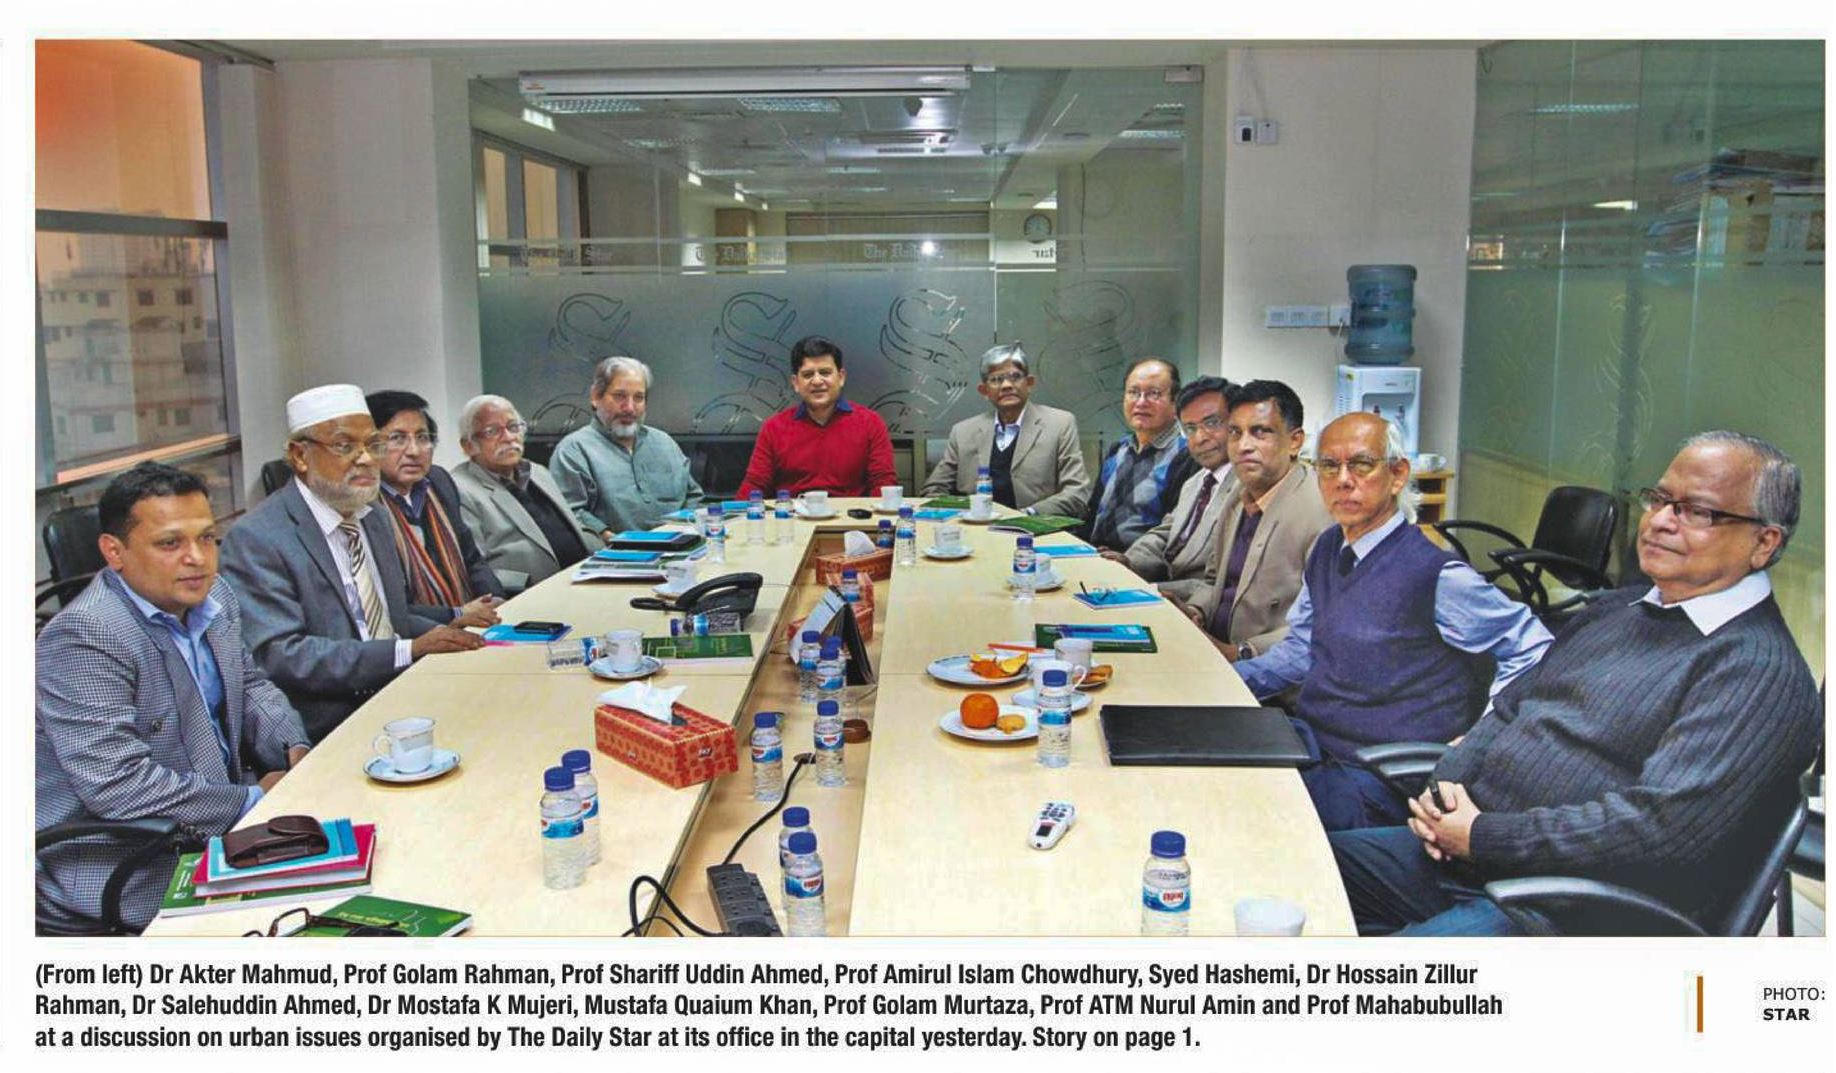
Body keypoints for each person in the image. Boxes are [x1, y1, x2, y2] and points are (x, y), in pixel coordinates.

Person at [1332, 432, 1822, 935]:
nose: (1659, 521)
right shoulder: (1616, 609)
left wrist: (1483, 837)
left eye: (1697, 512)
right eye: (1659, 499)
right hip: (1464, 858)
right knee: (1296, 872)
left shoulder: (1759, 674)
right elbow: (1512, 706)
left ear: (1764, 543)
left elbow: (1660, 831)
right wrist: (1445, 791)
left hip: (1565, 911)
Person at [1234, 412, 1553, 831]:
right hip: (1312, 743)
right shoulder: (1329, 547)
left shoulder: (1434, 574)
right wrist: (1228, 682)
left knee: (1249, 821)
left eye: (1361, 464)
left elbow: (1535, 648)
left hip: (1377, 774)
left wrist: (1481, 739)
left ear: (1398, 474)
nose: (1343, 480)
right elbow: (1303, 648)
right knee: (1211, 779)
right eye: (1328, 466)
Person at [36, 463, 311, 932]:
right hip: (127, 863)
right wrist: (252, 799)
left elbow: (251, 686)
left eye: (207, 538)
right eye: (170, 543)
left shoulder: (215, 594)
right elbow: (119, 786)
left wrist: (295, 750)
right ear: (114, 552)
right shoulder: (85, 635)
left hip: (212, 820)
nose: (197, 558)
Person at [220, 384, 484, 743]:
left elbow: (389, 618)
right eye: (345, 446)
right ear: (300, 455)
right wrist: (407, 650)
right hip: (330, 726)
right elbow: (283, 656)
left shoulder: (372, 516)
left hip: (405, 694)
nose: (366, 459)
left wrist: (453, 625)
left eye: (373, 445)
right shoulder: (259, 538)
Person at [1181, 379, 1332, 662]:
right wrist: (1194, 611)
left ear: (1295, 442)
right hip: (1211, 652)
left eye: (1260, 432)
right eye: (1235, 433)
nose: (1243, 446)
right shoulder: (1237, 496)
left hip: (1267, 673)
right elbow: (1215, 581)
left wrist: (1240, 652)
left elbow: (1323, 624)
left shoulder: (1321, 512)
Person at [365, 390, 503, 624]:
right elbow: (389, 605)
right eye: (397, 438)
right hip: (418, 634)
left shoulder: (439, 481)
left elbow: (471, 559)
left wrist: (495, 600)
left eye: (422, 437)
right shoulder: (364, 504)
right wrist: (457, 615)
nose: (414, 451)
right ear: (370, 446)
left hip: (474, 621)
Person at [451, 394, 602, 594]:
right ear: (468, 445)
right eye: (492, 431)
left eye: (513, 427)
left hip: (585, 581)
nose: (508, 437)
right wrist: (529, 583)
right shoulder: (460, 490)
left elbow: (571, 527)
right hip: (527, 597)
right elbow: (470, 569)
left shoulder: (538, 472)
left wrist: (610, 553)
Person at [920, 342, 1090, 517]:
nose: (1007, 385)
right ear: (984, 391)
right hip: (974, 527)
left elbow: (1076, 493)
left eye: (1015, 376)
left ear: (1029, 383)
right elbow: (933, 490)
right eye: (996, 379)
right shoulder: (963, 431)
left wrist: (1028, 514)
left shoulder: (1060, 424)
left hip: (1036, 527)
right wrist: (961, 515)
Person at [1105, 375, 1234, 600]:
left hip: (1199, 604)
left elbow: (1223, 583)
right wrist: (1128, 562)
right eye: (1190, 428)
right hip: (1166, 590)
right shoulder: (1196, 482)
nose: (1200, 438)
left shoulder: (1247, 489)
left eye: (1212, 423)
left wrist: (1151, 590)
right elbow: (1167, 533)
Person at [550, 356, 703, 541]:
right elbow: (571, 514)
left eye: (638, 398)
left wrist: (683, 535)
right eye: (619, 396)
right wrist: (618, 542)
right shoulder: (573, 451)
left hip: (681, 550)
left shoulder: (664, 443)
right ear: (596, 397)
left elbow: (694, 497)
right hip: (616, 555)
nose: (630, 408)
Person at [737, 335, 898, 499]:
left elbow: (883, 483)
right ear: (795, 383)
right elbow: (755, 484)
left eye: (825, 373)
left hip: (850, 514)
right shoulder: (773, 428)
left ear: (841, 377)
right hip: (792, 513)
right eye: (808, 375)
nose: (817, 381)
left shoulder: (870, 423)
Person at [1077, 357, 1198, 553]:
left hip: (1139, 564)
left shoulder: (1187, 456)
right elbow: (1091, 516)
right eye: (1133, 392)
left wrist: (1130, 560)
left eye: (1154, 393)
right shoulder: (1118, 450)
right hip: (1093, 557)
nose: (1141, 402)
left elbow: (1175, 535)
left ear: (1176, 402)